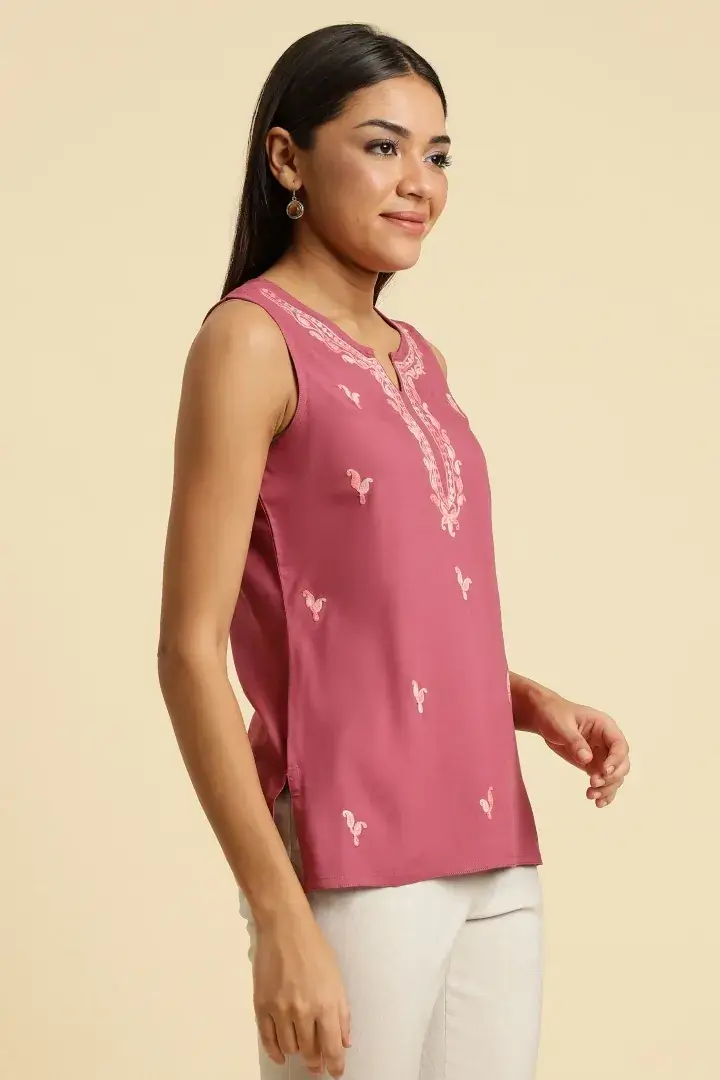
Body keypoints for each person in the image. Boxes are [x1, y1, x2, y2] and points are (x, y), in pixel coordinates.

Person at [157, 22, 631, 1080]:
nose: (419, 182)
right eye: (382, 146)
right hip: (352, 854)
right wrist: (281, 915)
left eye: (438, 153)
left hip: (493, 840)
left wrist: (526, 700)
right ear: (287, 159)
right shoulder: (249, 342)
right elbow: (187, 652)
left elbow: (386, 612)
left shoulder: (420, 359)